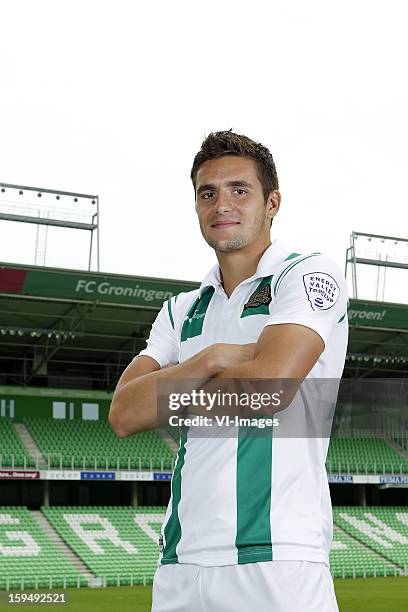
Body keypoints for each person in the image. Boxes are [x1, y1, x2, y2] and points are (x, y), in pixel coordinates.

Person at [109, 130, 348, 611]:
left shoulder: (305, 275)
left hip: (277, 559)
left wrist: (170, 395)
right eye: (208, 193)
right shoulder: (180, 309)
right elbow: (123, 414)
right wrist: (211, 358)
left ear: (272, 201)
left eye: (240, 190)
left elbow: (268, 390)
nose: (223, 204)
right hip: (179, 563)